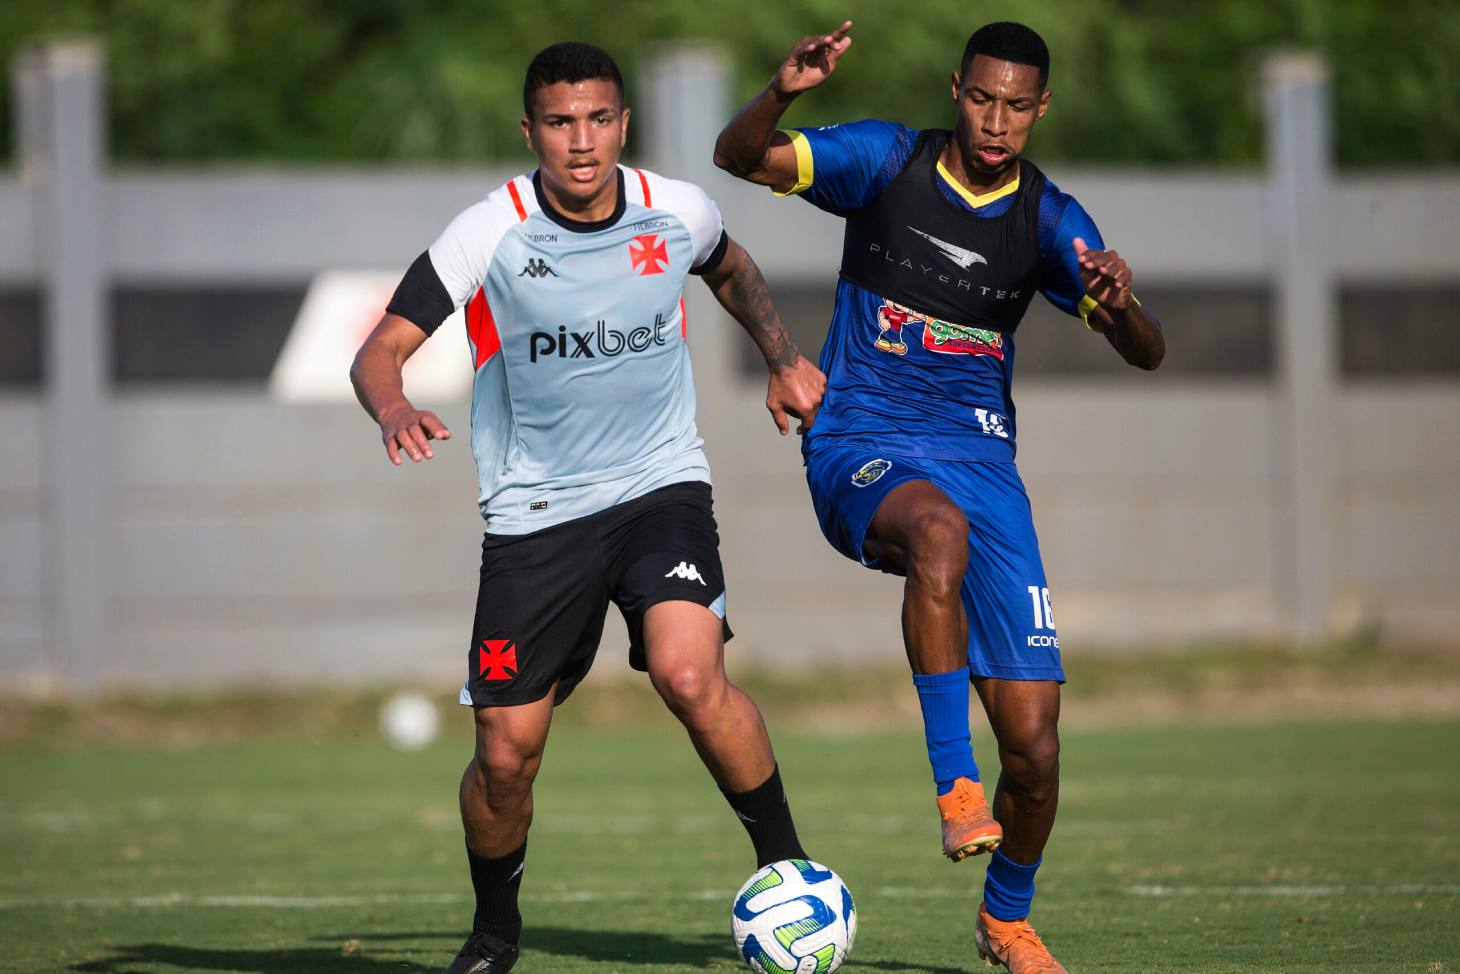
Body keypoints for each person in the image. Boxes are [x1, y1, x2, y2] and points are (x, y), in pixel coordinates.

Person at [351, 41, 827, 974]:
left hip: (660, 486)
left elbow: (731, 268)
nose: (582, 141)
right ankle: (496, 929)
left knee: (691, 675)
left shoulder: (676, 209)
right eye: (561, 123)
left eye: (599, 119)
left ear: (623, 124)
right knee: (504, 755)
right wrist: (395, 404)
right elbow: (381, 349)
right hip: (534, 516)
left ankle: (789, 871)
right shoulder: (489, 231)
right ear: (530, 131)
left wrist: (781, 357)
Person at [715, 20, 1165, 974]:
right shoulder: (885, 161)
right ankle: (955, 783)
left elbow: (1145, 351)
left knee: (1038, 753)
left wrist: (1121, 302)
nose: (995, 121)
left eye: (1016, 106)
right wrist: (783, 91)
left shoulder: (1049, 219)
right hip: (861, 444)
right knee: (936, 532)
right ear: (956, 87)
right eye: (980, 98)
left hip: (986, 466)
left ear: (1041, 109)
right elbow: (740, 156)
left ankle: (1005, 920)